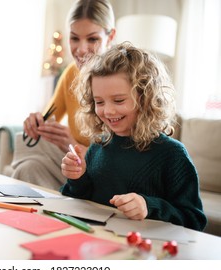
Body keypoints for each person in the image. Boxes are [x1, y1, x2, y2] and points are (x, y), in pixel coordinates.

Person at [60, 42, 207, 231]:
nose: (108, 111)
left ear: (145, 97)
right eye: (99, 102)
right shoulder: (98, 146)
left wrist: (149, 206)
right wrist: (77, 178)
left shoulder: (172, 154)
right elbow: (81, 202)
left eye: (119, 100)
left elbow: (194, 220)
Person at [10, 0, 116, 190]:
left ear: (110, 37)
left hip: (104, 171)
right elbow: (49, 118)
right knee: (28, 168)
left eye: (92, 39)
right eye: (74, 38)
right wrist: (36, 124)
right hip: (73, 162)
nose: (81, 49)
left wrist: (72, 144)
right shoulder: (70, 74)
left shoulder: (119, 78)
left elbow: (120, 157)